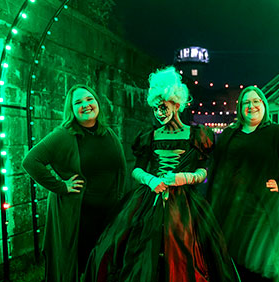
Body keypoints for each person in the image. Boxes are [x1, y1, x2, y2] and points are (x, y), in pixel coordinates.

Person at [83, 66, 239, 282]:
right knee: (135, 247)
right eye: (155, 109)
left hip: (185, 203)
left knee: (185, 250)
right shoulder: (148, 136)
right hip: (149, 200)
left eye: (163, 107)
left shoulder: (197, 135)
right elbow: (136, 169)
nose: (159, 113)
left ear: (176, 104)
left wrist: (184, 177)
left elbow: (204, 171)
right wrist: (151, 179)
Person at [207, 86, 279, 281]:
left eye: (256, 101)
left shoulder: (275, 132)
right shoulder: (230, 134)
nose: (251, 106)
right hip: (230, 211)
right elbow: (216, 167)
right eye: (246, 102)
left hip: (260, 211)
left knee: (260, 265)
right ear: (240, 108)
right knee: (230, 263)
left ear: (263, 104)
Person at [22, 84, 127, 282]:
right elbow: (30, 161)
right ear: (71, 109)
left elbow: (120, 171)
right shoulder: (64, 134)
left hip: (108, 215)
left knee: (106, 266)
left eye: (90, 99)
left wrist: (120, 202)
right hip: (80, 217)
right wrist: (61, 186)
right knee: (81, 267)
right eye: (78, 102)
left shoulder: (108, 134)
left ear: (97, 103)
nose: (86, 105)